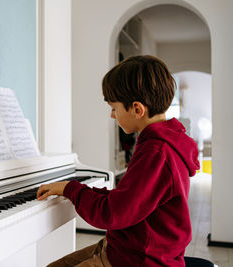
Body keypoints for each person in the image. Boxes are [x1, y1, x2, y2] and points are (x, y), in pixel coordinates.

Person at [36, 55, 200, 267]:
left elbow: (111, 214)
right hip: (125, 247)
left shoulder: (156, 152)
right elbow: (125, 200)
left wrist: (71, 190)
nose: (112, 116)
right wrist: (79, 190)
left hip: (139, 261)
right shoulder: (160, 144)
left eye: (114, 108)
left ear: (137, 109)